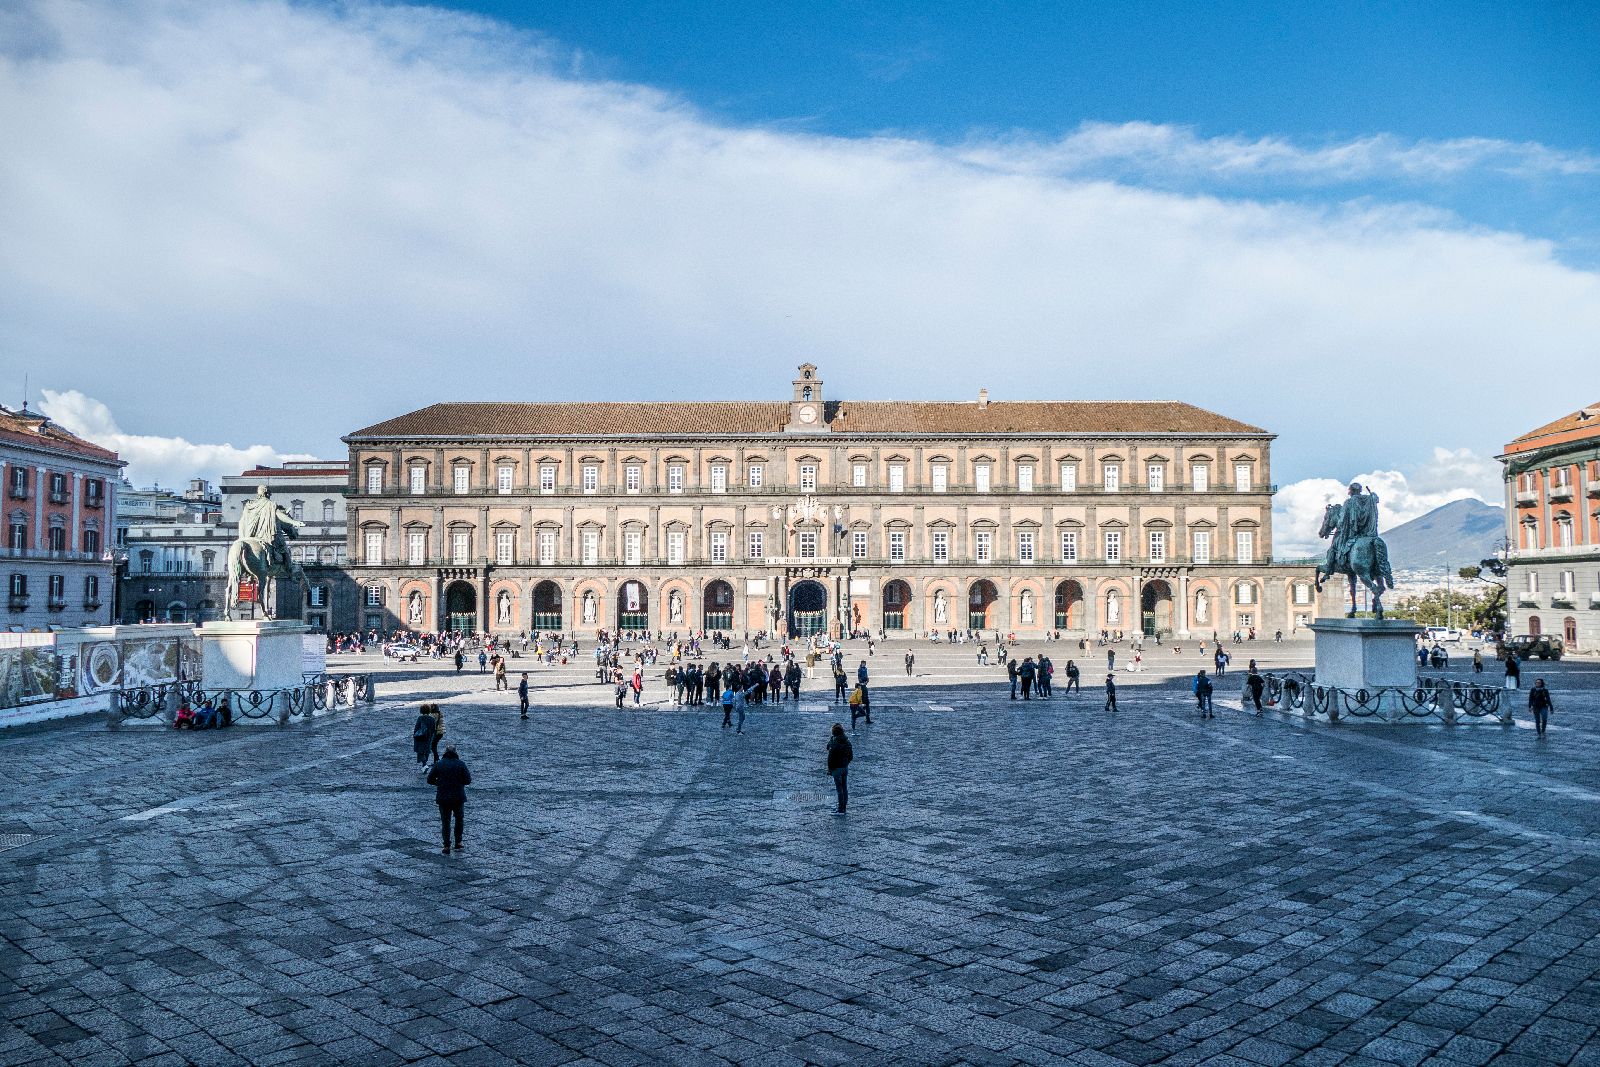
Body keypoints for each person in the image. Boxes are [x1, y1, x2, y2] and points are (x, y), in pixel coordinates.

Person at [427, 746, 472, 854]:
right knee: (459, 820)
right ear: (456, 752)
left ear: (445, 753)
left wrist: (439, 783)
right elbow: (468, 780)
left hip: (443, 797)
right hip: (458, 797)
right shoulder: (460, 764)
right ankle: (458, 842)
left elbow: (429, 779)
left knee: (445, 822)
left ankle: (446, 845)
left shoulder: (439, 764)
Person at [826, 724, 853, 814]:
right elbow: (851, 756)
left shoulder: (834, 743)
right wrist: (846, 763)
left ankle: (841, 809)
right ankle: (843, 806)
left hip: (836, 769)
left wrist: (830, 769)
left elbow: (830, 758)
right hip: (845, 768)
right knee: (844, 788)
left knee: (839, 789)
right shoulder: (847, 742)